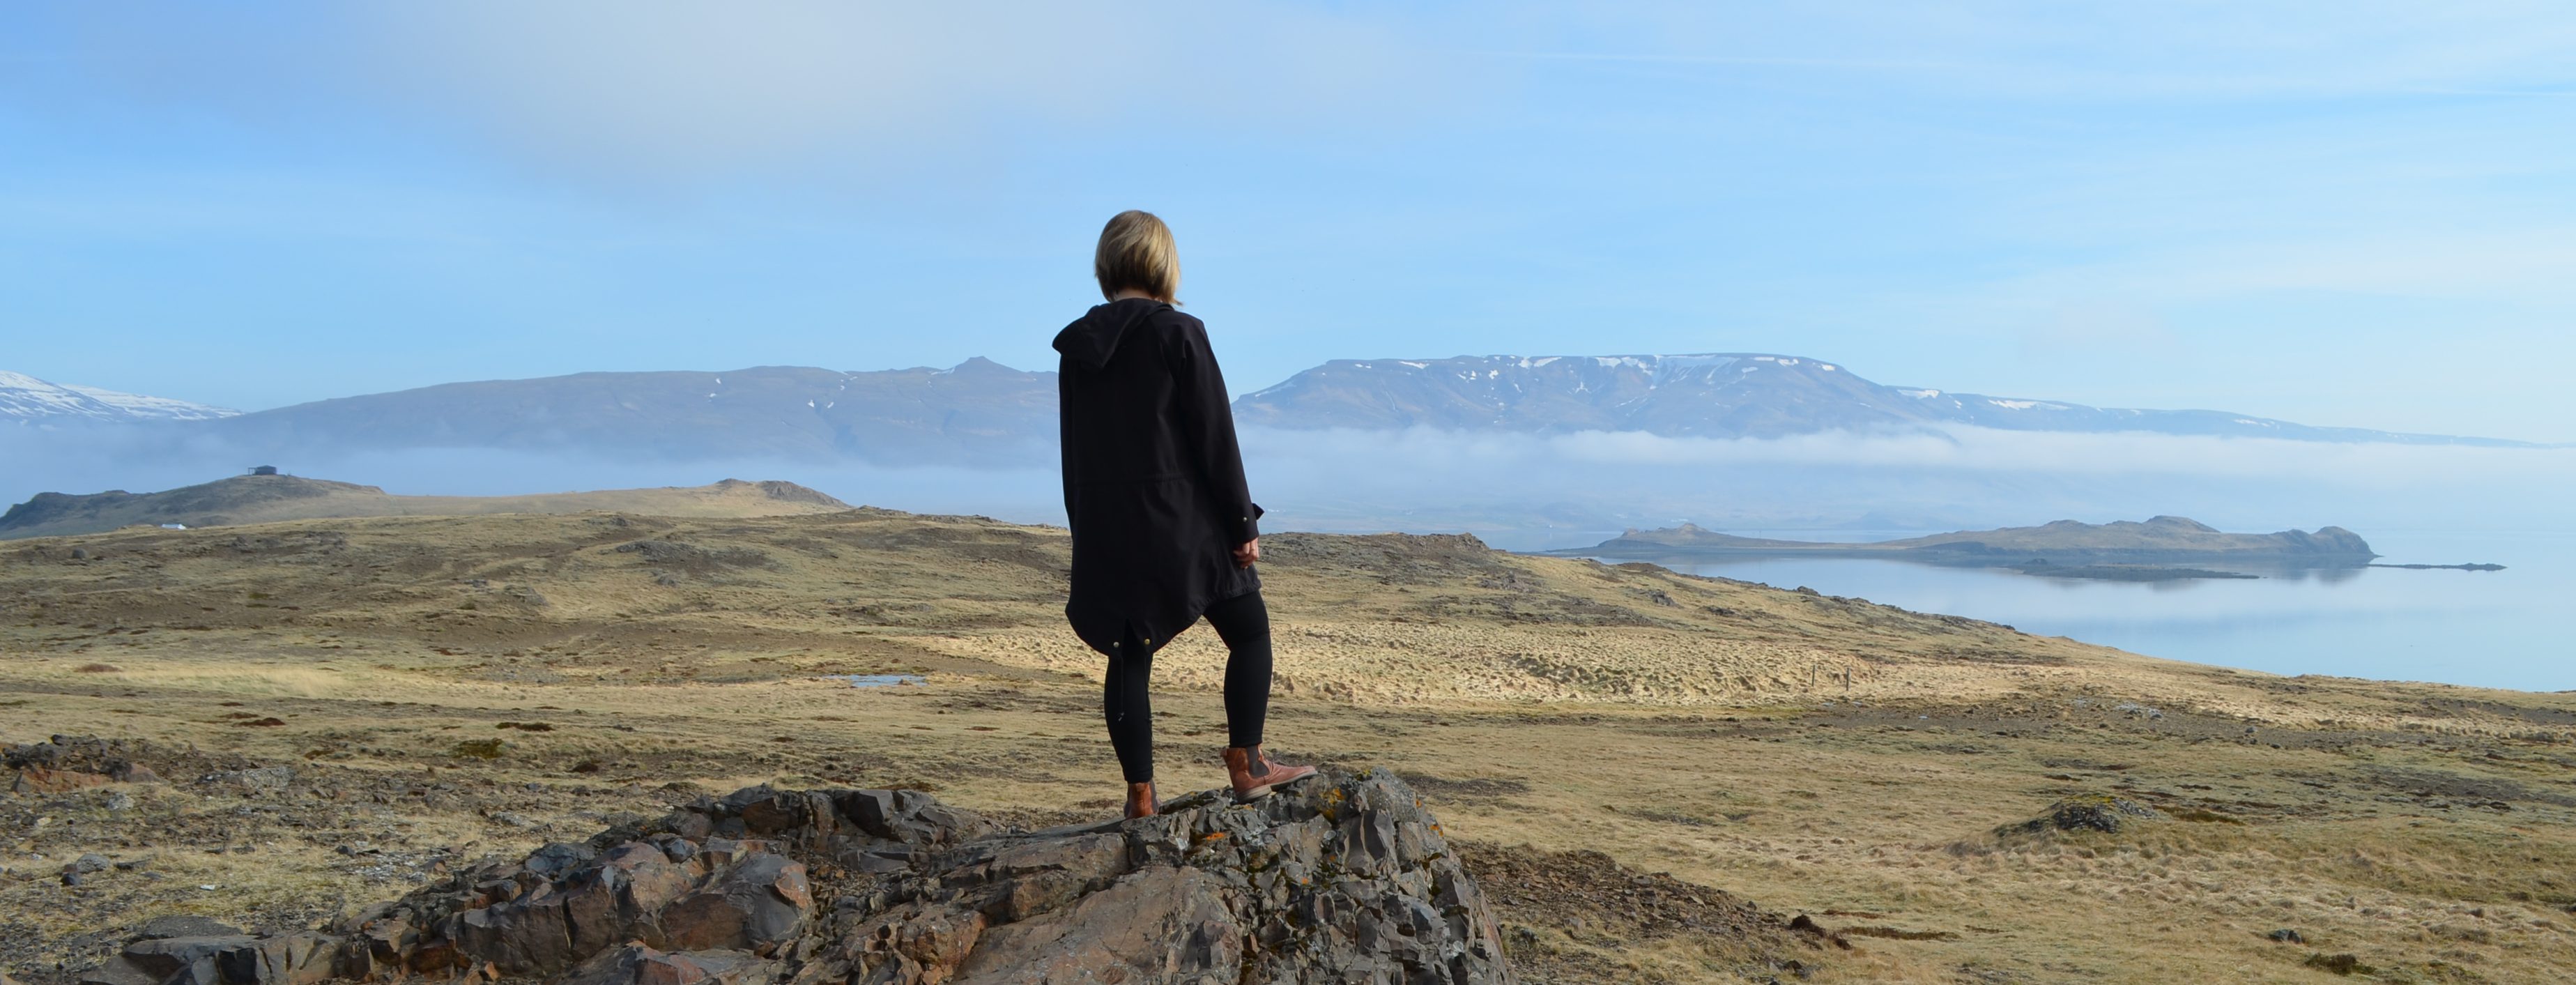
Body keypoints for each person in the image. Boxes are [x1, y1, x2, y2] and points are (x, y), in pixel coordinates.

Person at [1052, 209, 1317, 820]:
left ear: (1106, 265)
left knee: (1127, 654)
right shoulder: (1180, 332)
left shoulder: (1076, 349)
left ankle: (1141, 796)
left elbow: (1074, 450)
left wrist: (1085, 530)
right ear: (1163, 264)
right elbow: (1214, 438)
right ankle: (1248, 764)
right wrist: (1241, 523)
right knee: (1249, 629)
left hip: (1108, 526)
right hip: (1180, 524)